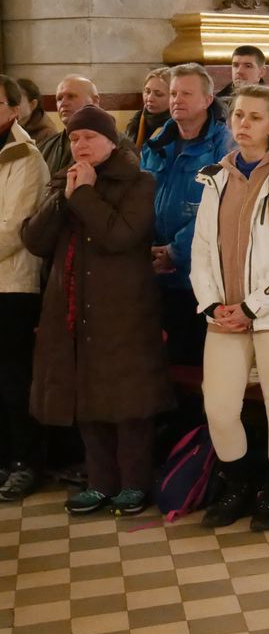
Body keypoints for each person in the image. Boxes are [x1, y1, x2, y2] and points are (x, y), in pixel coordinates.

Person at [20, 105, 172, 516]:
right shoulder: (65, 181)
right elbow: (35, 240)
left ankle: (135, 483)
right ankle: (100, 482)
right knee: (86, 395)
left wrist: (85, 196)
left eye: (89, 137)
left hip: (124, 308)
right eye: (73, 138)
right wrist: (64, 197)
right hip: (72, 306)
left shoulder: (140, 182)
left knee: (129, 401)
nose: (80, 145)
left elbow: (120, 236)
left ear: (110, 141)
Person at [192, 86, 269, 531]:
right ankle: (239, 484)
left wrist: (253, 305)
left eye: (255, 117)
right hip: (224, 312)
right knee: (219, 407)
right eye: (238, 115)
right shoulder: (216, 177)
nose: (243, 124)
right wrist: (212, 303)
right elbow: (202, 249)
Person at [141, 63, 235, 367]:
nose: (176, 100)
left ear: (207, 100)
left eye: (186, 93)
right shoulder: (158, 142)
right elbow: (140, 198)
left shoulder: (225, 145)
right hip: (157, 274)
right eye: (173, 93)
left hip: (203, 277)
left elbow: (221, 209)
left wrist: (176, 251)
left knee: (200, 363)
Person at [0, 76, 51, 502]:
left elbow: (14, 227)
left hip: (12, 284)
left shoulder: (25, 157)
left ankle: (26, 461)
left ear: (14, 109)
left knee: (13, 379)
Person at [40, 75, 100, 175]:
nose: (63, 103)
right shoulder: (44, 147)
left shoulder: (116, 146)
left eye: (71, 96)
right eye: (59, 99)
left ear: (95, 101)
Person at [124, 67, 172, 152]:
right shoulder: (137, 121)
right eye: (147, 91)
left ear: (173, 97)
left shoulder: (177, 126)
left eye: (158, 94)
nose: (150, 98)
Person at [15, 79, 57, 147]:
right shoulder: (11, 127)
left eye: (17, 100)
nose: (11, 106)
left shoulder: (48, 134)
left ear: (33, 105)